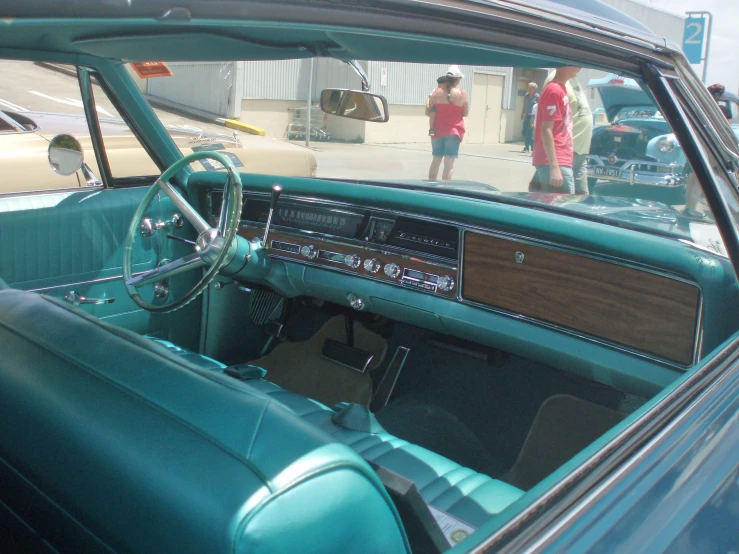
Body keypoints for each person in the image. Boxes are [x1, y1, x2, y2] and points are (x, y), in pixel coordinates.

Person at [540, 69, 592, 193]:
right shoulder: (555, 81)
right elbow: (546, 123)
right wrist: (553, 165)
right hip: (564, 151)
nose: (581, 67)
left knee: (581, 200)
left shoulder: (572, 78)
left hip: (580, 150)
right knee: (563, 202)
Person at [531, 66, 582, 193]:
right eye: (576, 63)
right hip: (555, 161)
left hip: (560, 159)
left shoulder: (561, 89)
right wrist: (554, 167)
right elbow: (546, 130)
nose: (580, 67)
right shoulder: (554, 90)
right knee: (563, 207)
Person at [427, 65, 469, 181]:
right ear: (457, 80)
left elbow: (430, 111)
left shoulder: (436, 93)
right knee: (449, 164)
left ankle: (431, 187)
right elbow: (465, 113)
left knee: (436, 161)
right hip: (454, 132)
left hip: (437, 131)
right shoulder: (462, 94)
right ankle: (445, 189)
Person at [520, 82, 539, 153]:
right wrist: (522, 113)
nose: (529, 89)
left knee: (529, 132)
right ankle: (532, 143)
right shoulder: (526, 96)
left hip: (532, 116)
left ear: (534, 89)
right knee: (524, 132)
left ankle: (526, 147)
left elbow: (539, 107)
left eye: (530, 88)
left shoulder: (537, 97)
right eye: (529, 87)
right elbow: (524, 105)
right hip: (526, 115)